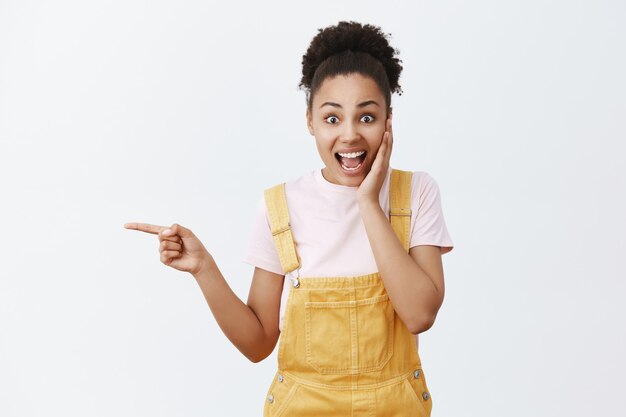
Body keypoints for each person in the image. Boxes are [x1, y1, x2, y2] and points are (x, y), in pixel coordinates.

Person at [124, 20, 453, 417]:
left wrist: (368, 202)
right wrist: (203, 268)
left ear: (388, 121)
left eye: (366, 117)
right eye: (332, 118)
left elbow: (420, 315)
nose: (349, 134)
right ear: (310, 121)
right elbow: (258, 343)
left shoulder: (415, 193)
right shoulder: (281, 206)